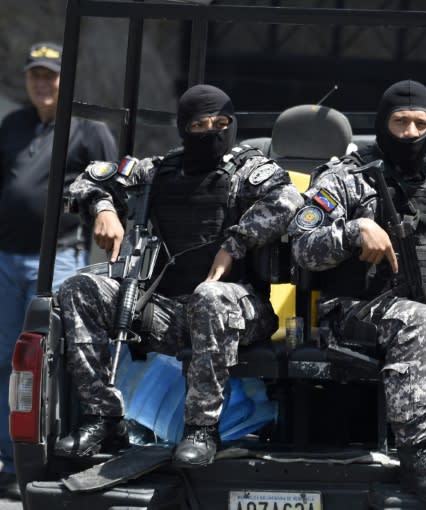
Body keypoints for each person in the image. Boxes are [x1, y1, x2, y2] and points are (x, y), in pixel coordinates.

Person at [289, 79, 426, 503]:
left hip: (422, 309)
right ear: (381, 124)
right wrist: (355, 232)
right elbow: (301, 245)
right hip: (353, 314)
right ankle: (418, 460)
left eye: (420, 123)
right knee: (419, 319)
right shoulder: (346, 178)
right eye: (400, 122)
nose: (411, 133)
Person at [53, 84, 303, 468]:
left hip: (240, 311)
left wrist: (234, 243)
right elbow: (87, 180)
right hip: (167, 310)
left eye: (221, 123)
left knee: (209, 295)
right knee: (78, 288)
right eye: (200, 124)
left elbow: (287, 200)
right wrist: (104, 207)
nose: (213, 132)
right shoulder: (158, 172)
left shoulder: (249, 170)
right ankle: (102, 414)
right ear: (184, 128)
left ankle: (201, 429)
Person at [0, 41, 117, 497]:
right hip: (7, 261)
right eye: (36, 75)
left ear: (66, 81)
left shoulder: (89, 130)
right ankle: (12, 461)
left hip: (61, 261)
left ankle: (64, 452)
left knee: (65, 360)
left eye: (51, 75)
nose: (43, 83)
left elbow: (114, 188)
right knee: (10, 362)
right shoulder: (13, 125)